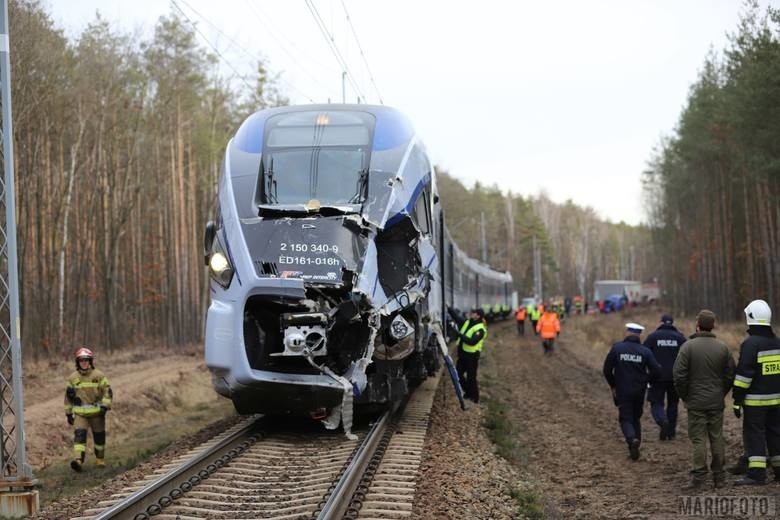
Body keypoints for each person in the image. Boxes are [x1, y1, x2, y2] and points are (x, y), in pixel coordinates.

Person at [672, 310, 735, 490]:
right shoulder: (723, 347)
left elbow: (678, 376)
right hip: (716, 401)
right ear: (713, 325)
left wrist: (686, 395)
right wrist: (721, 392)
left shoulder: (687, 347)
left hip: (696, 402)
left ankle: (699, 478)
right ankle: (719, 477)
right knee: (716, 437)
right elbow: (730, 374)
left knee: (698, 439)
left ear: (698, 325)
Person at [731, 299, 780, 486]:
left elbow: (744, 375)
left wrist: (737, 399)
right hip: (776, 401)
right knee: (775, 434)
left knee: (755, 435)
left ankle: (757, 475)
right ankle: (778, 470)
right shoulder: (777, 342)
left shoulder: (750, 344)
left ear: (750, 317)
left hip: (756, 403)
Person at [603, 323, 661, 461]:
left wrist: (613, 385)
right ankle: (635, 445)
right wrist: (647, 380)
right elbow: (657, 370)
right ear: (639, 335)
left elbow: (606, 370)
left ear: (627, 333)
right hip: (639, 389)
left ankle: (631, 439)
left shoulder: (617, 349)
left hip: (622, 389)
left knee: (625, 418)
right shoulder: (645, 351)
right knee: (636, 418)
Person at [64, 347, 113, 472]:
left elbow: (107, 392)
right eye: (81, 360)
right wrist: (68, 414)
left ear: (90, 361)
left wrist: (105, 406)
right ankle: (78, 461)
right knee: (79, 436)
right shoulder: (72, 378)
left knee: (99, 437)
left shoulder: (99, 375)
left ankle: (100, 459)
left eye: (86, 360)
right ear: (77, 362)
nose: (84, 363)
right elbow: (68, 397)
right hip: (80, 414)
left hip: (97, 413)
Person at [644, 314, 687, 440]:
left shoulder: (653, 337)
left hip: (656, 376)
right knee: (673, 403)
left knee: (656, 402)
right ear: (672, 323)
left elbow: (644, 353)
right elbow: (686, 356)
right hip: (676, 376)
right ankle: (671, 432)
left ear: (661, 322)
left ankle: (662, 421)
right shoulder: (680, 338)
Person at [450, 308, 488, 404]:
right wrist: (449, 308)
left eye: (474, 313)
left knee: (471, 377)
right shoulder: (467, 322)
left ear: (478, 316)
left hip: (472, 356)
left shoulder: (480, 329)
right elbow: (457, 317)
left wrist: (458, 334)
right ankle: (468, 393)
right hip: (463, 354)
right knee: (458, 374)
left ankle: (475, 398)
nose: (471, 313)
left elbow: (472, 341)